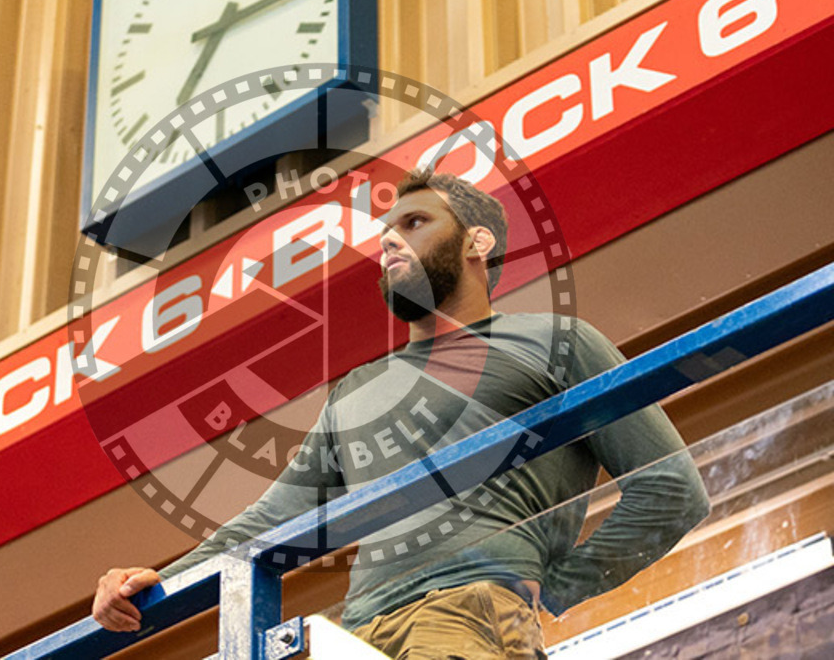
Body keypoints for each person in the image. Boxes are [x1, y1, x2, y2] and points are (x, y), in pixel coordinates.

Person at [93, 170, 711, 658]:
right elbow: (271, 521)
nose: (389, 240)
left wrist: (553, 587)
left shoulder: (555, 342)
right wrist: (151, 584)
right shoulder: (355, 390)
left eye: (414, 223)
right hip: (355, 636)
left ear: (477, 243)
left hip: (467, 615)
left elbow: (671, 488)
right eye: (385, 231)